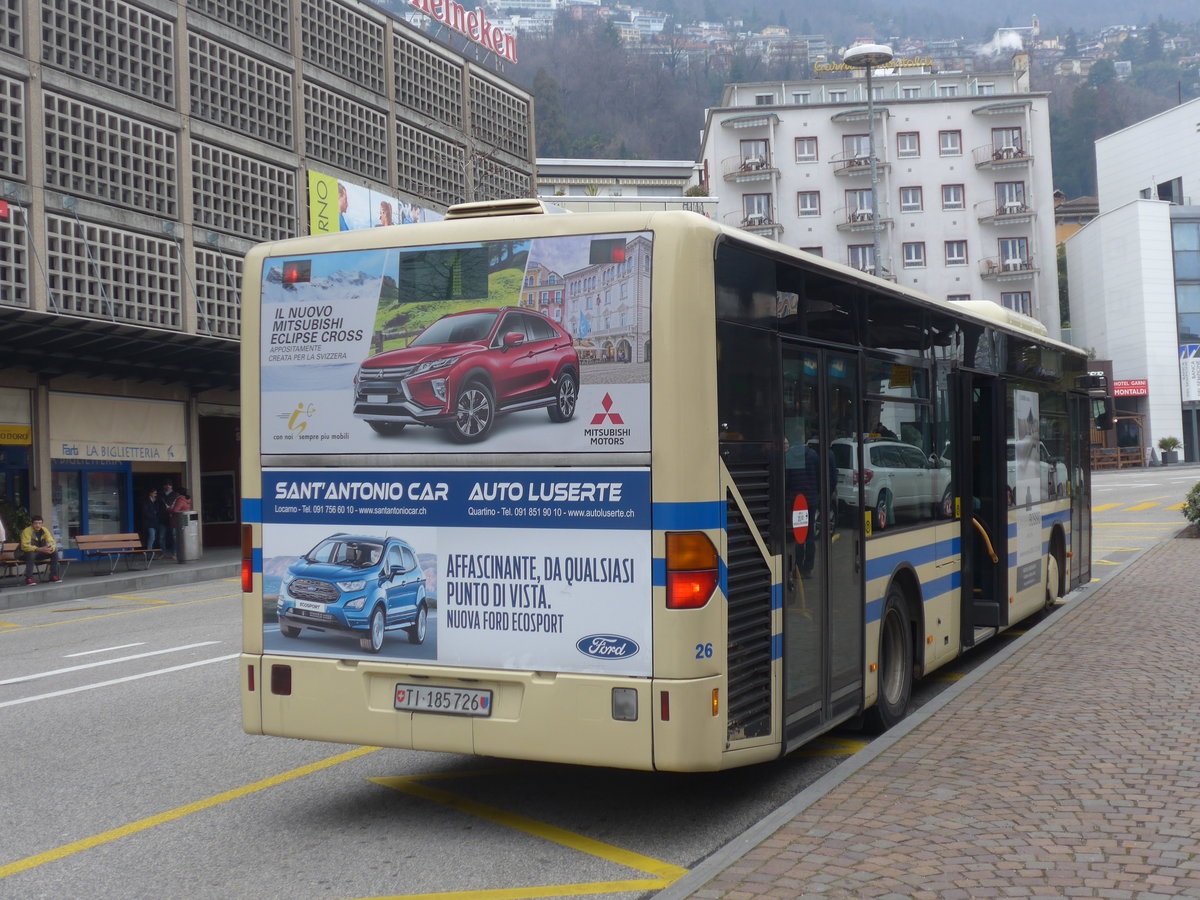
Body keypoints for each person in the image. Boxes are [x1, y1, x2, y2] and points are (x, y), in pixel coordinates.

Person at [20, 516, 61, 584]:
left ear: (42, 524)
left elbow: (51, 541)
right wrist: (38, 549)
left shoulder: (45, 530)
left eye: (40, 523)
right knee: (31, 554)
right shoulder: (27, 531)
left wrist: (51, 548)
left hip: (39, 552)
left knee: (54, 552)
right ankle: (29, 578)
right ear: (32, 524)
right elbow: (25, 546)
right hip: (25, 553)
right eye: (36, 523)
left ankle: (53, 576)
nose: (38, 525)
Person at [157, 482, 177, 558]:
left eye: (170, 484)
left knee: (174, 537)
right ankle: (163, 553)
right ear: (164, 486)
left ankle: (174, 553)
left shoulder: (175, 495)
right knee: (161, 537)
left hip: (172, 519)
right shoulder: (160, 494)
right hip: (162, 519)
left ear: (172, 486)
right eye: (166, 484)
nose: (168, 486)